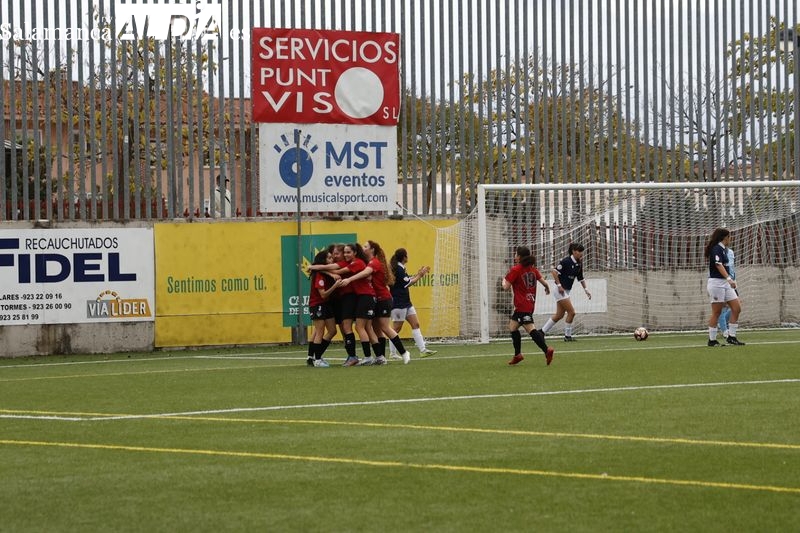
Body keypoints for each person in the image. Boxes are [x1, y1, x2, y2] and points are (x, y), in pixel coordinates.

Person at [502, 246, 555, 366]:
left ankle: (547, 350)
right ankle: (517, 355)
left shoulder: (516, 269)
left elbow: (505, 287)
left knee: (530, 329)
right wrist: (547, 288)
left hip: (521, 305)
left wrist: (503, 281)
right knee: (513, 327)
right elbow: (544, 282)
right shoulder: (533, 269)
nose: (515, 256)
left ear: (519, 257)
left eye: (516, 254)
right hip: (530, 303)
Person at [388, 248, 437, 359]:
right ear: (404, 257)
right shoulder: (398, 269)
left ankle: (423, 350)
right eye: (407, 255)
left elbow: (407, 280)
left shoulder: (400, 268)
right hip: (398, 303)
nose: (408, 257)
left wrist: (419, 274)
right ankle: (392, 353)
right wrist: (419, 276)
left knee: (416, 324)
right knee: (396, 329)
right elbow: (408, 283)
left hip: (406, 302)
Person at [540, 243, 591, 341]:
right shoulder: (566, 261)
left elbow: (580, 278)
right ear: (573, 251)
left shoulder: (579, 263)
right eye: (579, 251)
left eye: (582, 252)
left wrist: (586, 290)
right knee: (572, 312)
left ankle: (541, 332)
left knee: (559, 315)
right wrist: (559, 286)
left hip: (566, 291)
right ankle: (567, 336)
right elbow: (554, 272)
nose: (581, 254)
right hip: (559, 291)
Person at [705, 228, 745, 346]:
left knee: (737, 308)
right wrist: (729, 279)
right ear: (724, 237)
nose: (730, 239)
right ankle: (712, 340)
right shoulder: (716, 248)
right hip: (716, 283)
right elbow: (718, 265)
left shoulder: (724, 250)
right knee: (717, 312)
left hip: (725, 284)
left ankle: (731, 337)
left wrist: (729, 280)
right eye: (729, 237)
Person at [306, 250, 342, 367]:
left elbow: (320, 268)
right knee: (319, 331)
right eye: (329, 258)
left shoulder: (324, 272)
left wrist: (331, 275)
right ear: (323, 260)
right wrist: (335, 285)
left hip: (326, 304)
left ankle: (313, 356)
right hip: (317, 304)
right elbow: (323, 295)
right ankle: (317, 359)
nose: (332, 260)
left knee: (332, 330)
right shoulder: (319, 275)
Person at [717, 245, 736, 339]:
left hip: (732, 281)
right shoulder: (717, 251)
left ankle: (722, 324)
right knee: (722, 306)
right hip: (721, 282)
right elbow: (717, 266)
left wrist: (734, 280)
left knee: (736, 306)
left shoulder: (731, 252)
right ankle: (725, 330)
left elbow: (732, 267)